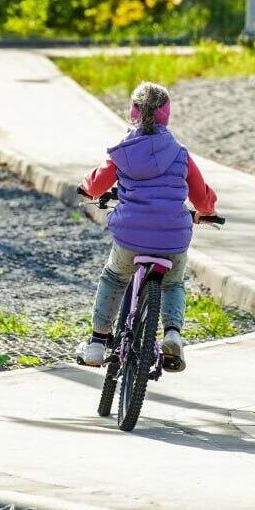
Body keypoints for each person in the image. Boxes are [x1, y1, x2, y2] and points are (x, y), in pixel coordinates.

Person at [76, 81, 219, 373]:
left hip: (130, 238)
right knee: (174, 283)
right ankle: (172, 335)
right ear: (167, 114)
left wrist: (87, 189)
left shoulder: (123, 151)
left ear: (134, 111)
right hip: (173, 238)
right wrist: (206, 212)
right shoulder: (180, 153)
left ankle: (97, 342)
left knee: (115, 278)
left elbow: (98, 184)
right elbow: (201, 195)